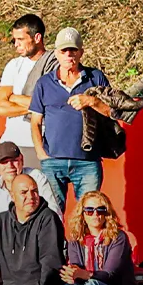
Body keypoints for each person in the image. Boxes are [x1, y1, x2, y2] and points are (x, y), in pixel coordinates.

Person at [27, 27, 115, 199]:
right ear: (56, 54)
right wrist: (41, 154)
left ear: (81, 52)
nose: (69, 54)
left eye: (73, 50)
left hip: (88, 160)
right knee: (52, 214)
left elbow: (113, 113)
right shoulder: (44, 83)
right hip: (52, 160)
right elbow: (35, 121)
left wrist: (92, 101)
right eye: (64, 50)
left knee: (89, 212)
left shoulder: (95, 78)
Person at [0, 174, 66, 285]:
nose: (31, 196)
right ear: (12, 196)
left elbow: (51, 260)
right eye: (24, 192)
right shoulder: (1, 221)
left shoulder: (48, 218)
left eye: (34, 191)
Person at [58, 191, 138, 285]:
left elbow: (109, 274)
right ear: (82, 214)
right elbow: (76, 268)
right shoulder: (75, 239)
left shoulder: (118, 237)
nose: (95, 214)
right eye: (89, 210)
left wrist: (83, 274)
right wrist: (71, 274)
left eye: (100, 209)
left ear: (106, 213)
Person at [0, 14, 49, 156]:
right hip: (11, 144)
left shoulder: (52, 64)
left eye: (21, 39)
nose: (16, 44)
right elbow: (1, 108)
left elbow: (51, 104)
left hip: (40, 144)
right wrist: (36, 107)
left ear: (37, 38)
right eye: (14, 40)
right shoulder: (14, 65)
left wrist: (14, 98)